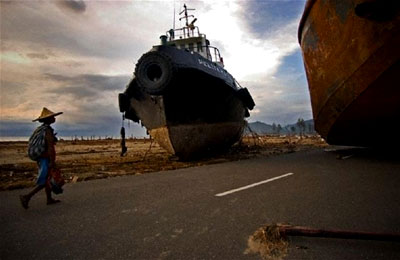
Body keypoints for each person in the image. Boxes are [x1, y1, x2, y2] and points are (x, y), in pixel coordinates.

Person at [20, 107, 63, 209]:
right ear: (48, 119)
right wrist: (52, 162)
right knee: (46, 180)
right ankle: (27, 197)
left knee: (47, 178)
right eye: (52, 117)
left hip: (41, 158)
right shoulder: (47, 131)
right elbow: (50, 148)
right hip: (45, 158)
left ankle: (49, 199)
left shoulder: (41, 130)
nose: (54, 118)